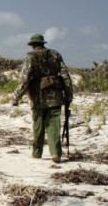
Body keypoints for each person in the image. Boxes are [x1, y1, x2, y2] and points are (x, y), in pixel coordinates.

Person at [12, 34, 73, 163]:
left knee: (38, 124)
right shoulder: (55, 54)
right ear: (43, 43)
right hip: (55, 95)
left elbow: (25, 79)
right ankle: (55, 153)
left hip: (37, 96)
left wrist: (16, 97)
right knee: (54, 125)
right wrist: (69, 94)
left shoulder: (30, 56)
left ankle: (37, 153)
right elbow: (65, 75)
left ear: (33, 45)